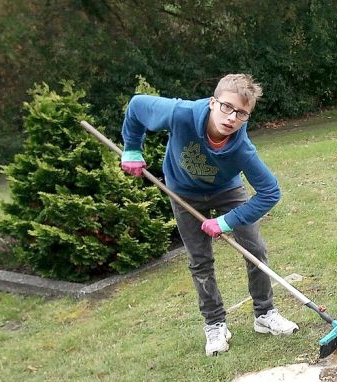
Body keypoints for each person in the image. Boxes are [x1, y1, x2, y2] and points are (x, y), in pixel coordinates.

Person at [120, 73, 298, 356]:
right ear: (213, 102)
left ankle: (265, 314)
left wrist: (227, 221)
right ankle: (215, 324)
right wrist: (131, 147)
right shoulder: (182, 114)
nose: (231, 118)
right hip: (183, 192)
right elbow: (138, 106)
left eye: (241, 113)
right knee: (200, 260)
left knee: (255, 249)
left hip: (227, 190)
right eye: (227, 107)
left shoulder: (241, 149)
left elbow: (270, 192)